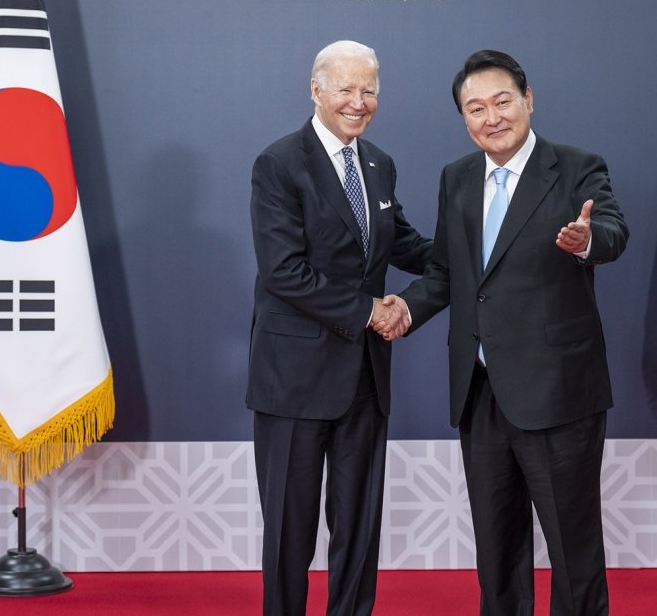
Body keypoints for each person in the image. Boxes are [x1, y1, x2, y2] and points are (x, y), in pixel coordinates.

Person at [379, 49, 628, 615]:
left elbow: (612, 230)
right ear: (464, 118)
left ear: (528, 100)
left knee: (573, 545)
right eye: (475, 108)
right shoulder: (457, 178)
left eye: (501, 101)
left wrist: (585, 242)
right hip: (480, 390)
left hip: (557, 390)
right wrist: (406, 309)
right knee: (496, 548)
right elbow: (448, 272)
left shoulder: (576, 166)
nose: (491, 117)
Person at [247, 40, 429, 616]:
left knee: (358, 526)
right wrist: (367, 311)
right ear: (316, 90)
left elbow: (400, 242)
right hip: (295, 380)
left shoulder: (378, 163)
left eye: (369, 89)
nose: (359, 102)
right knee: (290, 532)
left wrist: (475, 251)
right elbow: (283, 272)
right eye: (346, 89)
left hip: (365, 380)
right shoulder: (279, 163)